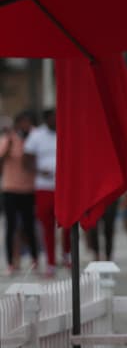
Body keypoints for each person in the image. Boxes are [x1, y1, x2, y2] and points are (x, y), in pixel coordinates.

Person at [24, 109, 65, 275]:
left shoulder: (65, 132)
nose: (55, 121)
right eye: (52, 119)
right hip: (44, 187)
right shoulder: (36, 135)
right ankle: (51, 263)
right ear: (46, 119)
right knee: (47, 226)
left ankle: (67, 256)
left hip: (63, 187)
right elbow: (26, 161)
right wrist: (41, 172)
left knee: (68, 223)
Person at [1, 110, 36, 274]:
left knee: (29, 226)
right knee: (11, 226)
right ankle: (10, 262)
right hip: (11, 189)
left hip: (29, 189)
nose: (25, 126)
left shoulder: (34, 137)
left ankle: (34, 259)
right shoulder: (8, 139)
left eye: (27, 123)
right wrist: (8, 143)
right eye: (22, 123)